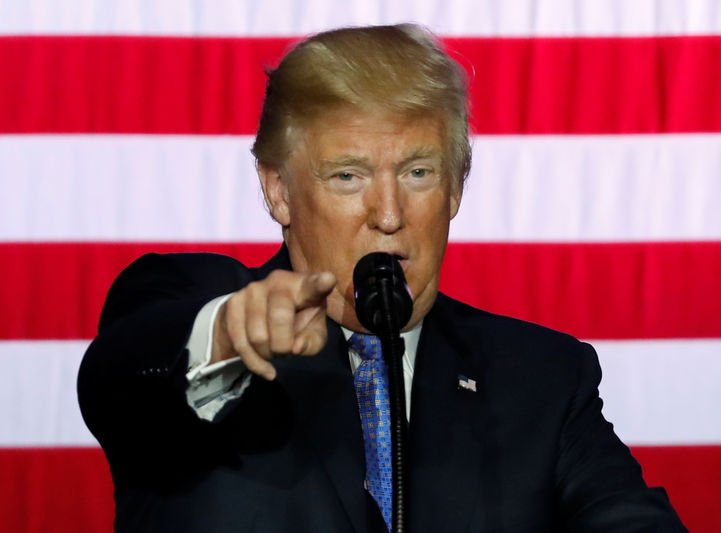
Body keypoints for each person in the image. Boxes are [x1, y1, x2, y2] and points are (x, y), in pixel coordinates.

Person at [78, 24, 687, 533]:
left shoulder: (542, 376)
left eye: (419, 172)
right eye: (348, 176)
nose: (389, 215)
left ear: (455, 188)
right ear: (278, 190)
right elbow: (121, 379)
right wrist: (225, 337)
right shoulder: (193, 303)